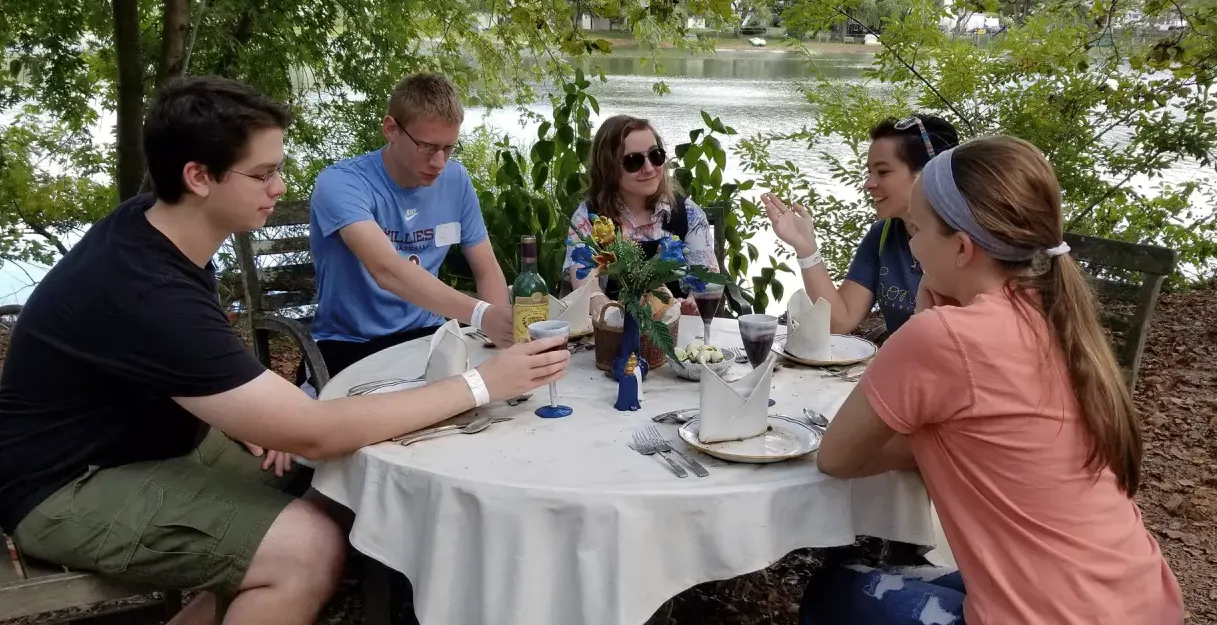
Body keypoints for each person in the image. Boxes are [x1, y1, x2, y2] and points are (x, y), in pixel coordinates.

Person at [0, 76, 569, 625]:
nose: (280, 187)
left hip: (158, 444)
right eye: (264, 173)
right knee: (308, 548)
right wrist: (484, 384)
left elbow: (195, 353)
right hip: (67, 484)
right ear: (199, 176)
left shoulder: (156, 227)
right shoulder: (146, 285)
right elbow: (313, 429)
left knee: (338, 486)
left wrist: (263, 418)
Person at [803, 136, 1183, 625]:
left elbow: (836, 457)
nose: (912, 247)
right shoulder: (1056, 316)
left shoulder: (944, 337)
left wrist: (924, 321)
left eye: (916, 230)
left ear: (961, 248)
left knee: (834, 591)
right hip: (1140, 601)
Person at [306, 73, 513, 380]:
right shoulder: (341, 183)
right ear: (391, 129)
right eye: (428, 147)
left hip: (429, 336)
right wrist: (482, 315)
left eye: (449, 148)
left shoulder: (455, 181)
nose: (439, 163)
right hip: (349, 344)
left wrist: (503, 334)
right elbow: (387, 271)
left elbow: (485, 266)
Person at [762, 114, 959, 335]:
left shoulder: (967, 241)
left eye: (883, 172)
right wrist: (806, 247)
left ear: (929, 172)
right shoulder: (884, 235)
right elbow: (838, 321)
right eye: (869, 172)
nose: (868, 184)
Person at [563, 114, 719, 315]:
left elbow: (707, 279)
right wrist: (597, 300)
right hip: (613, 332)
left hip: (678, 334)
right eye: (633, 161)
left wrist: (695, 303)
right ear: (608, 167)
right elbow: (585, 284)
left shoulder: (688, 214)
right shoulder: (588, 218)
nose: (649, 168)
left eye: (656, 155)